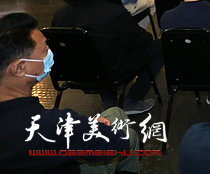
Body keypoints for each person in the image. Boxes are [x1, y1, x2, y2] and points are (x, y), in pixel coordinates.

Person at [0, 12, 141, 173]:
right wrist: (89, 128)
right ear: (19, 68)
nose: (50, 54)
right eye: (45, 50)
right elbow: (117, 143)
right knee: (129, 136)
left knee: (116, 112)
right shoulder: (50, 124)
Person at [52, 0, 162, 114]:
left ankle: (109, 100)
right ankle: (133, 99)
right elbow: (142, 41)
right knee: (162, 46)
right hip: (112, 71)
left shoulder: (60, 14)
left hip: (75, 72)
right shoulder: (113, 12)